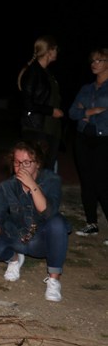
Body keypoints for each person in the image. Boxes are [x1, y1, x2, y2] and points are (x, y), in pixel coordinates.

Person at [0, 141, 69, 302]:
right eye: (17, 162)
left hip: (41, 241)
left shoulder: (52, 180)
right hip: (16, 237)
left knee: (58, 223)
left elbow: (47, 212)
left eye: (26, 163)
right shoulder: (7, 186)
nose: (21, 167)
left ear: (37, 163)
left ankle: (54, 279)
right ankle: (15, 259)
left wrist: (32, 185)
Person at [68, 46, 108, 238]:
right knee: (87, 182)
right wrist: (91, 111)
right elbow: (72, 113)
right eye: (92, 61)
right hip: (83, 138)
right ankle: (91, 223)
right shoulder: (86, 88)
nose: (94, 64)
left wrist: (87, 112)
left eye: (98, 60)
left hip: (104, 139)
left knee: (102, 183)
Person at [17, 35, 64, 170]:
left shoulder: (46, 72)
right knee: (37, 170)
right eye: (55, 49)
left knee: (47, 170)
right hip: (37, 128)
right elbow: (27, 103)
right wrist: (51, 111)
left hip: (50, 128)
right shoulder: (33, 72)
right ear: (49, 51)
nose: (57, 52)